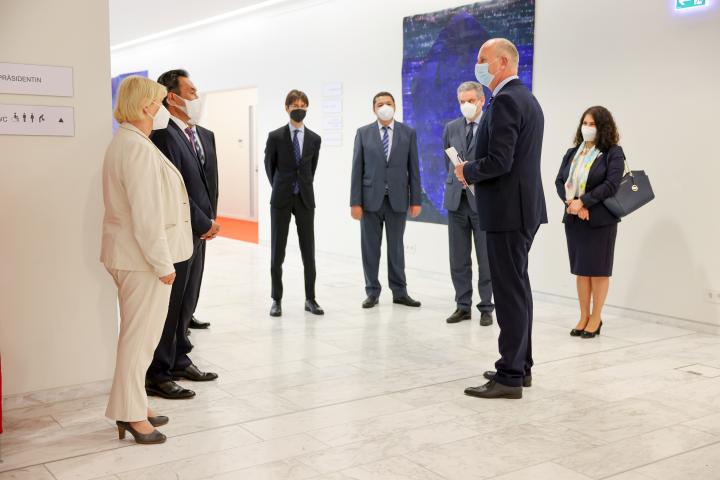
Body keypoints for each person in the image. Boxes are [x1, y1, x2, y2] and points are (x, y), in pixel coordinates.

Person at [100, 75, 193, 443]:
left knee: (139, 338)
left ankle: (135, 404)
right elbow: (146, 214)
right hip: (141, 260)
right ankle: (131, 415)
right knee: (139, 340)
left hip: (132, 256)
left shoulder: (129, 141)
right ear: (144, 106)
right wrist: (163, 264)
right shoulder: (135, 148)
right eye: (157, 103)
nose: (160, 110)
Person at [455, 38, 546, 399]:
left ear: (503, 62)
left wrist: (467, 170)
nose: (478, 65)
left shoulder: (507, 100)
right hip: (522, 209)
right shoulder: (526, 98)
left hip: (508, 211)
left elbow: (500, 161)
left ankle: (509, 376)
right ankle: (520, 365)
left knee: (508, 293)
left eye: (483, 59)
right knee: (518, 289)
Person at [145, 70, 219, 400]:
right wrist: (202, 221)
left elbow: (205, 184)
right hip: (181, 229)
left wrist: (209, 221)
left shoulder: (197, 134)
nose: (196, 96)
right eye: (190, 91)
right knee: (171, 303)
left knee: (188, 299)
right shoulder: (164, 136)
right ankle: (158, 371)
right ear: (171, 97)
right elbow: (175, 192)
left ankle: (178, 358)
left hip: (200, 230)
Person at [555, 106, 624, 338]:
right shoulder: (573, 152)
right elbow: (559, 181)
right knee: (582, 271)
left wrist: (584, 202)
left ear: (603, 127)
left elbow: (611, 184)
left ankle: (596, 318)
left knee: (598, 271)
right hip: (574, 219)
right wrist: (572, 205)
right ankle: (584, 315)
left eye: (592, 124)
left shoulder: (613, 153)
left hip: (600, 220)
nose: (587, 128)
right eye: (585, 123)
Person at [350, 92, 422, 309]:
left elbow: (414, 169)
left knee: (397, 249)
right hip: (370, 200)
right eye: (380, 104)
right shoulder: (363, 133)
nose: (384, 107)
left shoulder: (408, 133)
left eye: (388, 103)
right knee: (370, 249)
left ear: (395, 107)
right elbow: (356, 169)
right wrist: (355, 202)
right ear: (374, 109)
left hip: (398, 200)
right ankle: (372, 291)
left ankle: (400, 291)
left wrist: (416, 200)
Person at [264, 89, 324, 317]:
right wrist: (282, 186)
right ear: (287, 108)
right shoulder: (276, 136)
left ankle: (311, 298)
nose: (299, 108)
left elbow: (311, 169)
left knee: (308, 251)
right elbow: (270, 167)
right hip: (281, 199)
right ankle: (276, 299)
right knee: (277, 251)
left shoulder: (314, 139)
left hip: (305, 199)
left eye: (303, 105)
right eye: (295, 104)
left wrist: (301, 185)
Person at [442, 81, 495, 326]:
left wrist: (473, 176)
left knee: (486, 259)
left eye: (471, 100)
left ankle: (486, 306)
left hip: (483, 201)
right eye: (462, 101)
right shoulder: (451, 127)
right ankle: (462, 305)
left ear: (482, 100)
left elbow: (495, 162)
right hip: (457, 201)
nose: (466, 105)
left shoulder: (491, 125)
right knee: (458, 258)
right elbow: (448, 162)